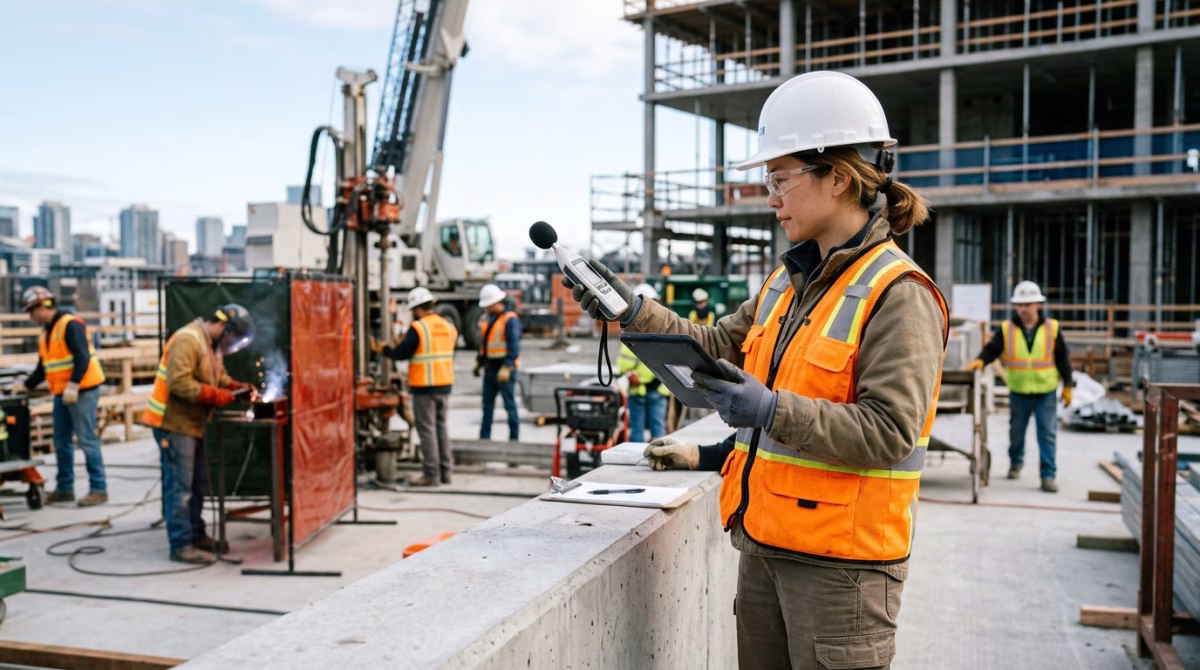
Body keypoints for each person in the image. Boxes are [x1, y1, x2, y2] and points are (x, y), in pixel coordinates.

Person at [566, 71, 948, 669]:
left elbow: (890, 431)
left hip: (841, 571)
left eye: (779, 178)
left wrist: (772, 410)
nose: (769, 197)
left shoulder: (898, 293)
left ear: (838, 177)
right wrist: (634, 313)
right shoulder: (785, 283)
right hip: (765, 547)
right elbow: (715, 346)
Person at [143, 305, 257, 564]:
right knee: (181, 487)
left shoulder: (210, 345)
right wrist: (217, 395)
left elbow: (219, 377)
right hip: (173, 424)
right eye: (232, 339)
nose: (230, 345)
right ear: (223, 327)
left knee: (196, 485)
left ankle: (196, 535)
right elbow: (179, 382)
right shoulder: (188, 339)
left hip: (193, 424)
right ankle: (180, 545)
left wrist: (237, 388)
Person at [965, 280, 1073, 493]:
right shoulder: (1007, 329)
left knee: (1047, 433)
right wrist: (980, 361)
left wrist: (1068, 385)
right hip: (1019, 391)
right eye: (1020, 305)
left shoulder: (1052, 328)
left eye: (1028, 304)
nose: (1023, 309)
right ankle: (1016, 463)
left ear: (1038, 305)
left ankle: (1048, 476)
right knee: (1016, 432)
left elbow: (1063, 358)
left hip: (1046, 391)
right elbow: (992, 349)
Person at [17, 286, 108, 507]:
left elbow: (82, 356)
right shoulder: (46, 332)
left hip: (82, 390)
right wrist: (25, 386)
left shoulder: (70, 325)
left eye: (32, 312)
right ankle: (65, 488)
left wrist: (74, 384)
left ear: (42, 308)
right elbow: (43, 367)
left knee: (86, 440)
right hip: (62, 392)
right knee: (61, 441)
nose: (31, 317)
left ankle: (99, 488)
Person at [372, 287, 458, 486]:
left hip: (424, 386)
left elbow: (403, 353)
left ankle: (431, 474)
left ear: (418, 309)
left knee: (427, 431)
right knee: (441, 429)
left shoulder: (419, 327)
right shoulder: (448, 326)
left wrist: (385, 350)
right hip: (445, 384)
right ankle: (446, 472)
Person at [618, 284, 670, 442]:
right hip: (651, 390)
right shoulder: (665, 331)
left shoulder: (632, 334)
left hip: (646, 390)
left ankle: (641, 456)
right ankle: (659, 455)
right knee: (656, 432)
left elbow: (623, 365)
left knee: (640, 432)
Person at [476, 284, 521, 441]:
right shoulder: (489, 319)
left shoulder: (510, 319)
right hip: (490, 367)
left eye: (488, 305)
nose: (486, 308)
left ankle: (514, 439)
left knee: (509, 404)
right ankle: (484, 439)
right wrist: (479, 362)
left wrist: (508, 366)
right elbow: (486, 343)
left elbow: (514, 346)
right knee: (487, 406)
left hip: (504, 368)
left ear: (496, 302)